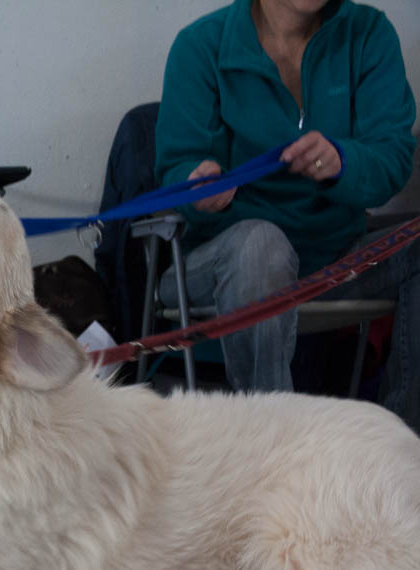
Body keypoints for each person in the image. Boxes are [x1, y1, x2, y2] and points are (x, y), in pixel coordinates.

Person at [154, 0, 418, 431]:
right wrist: (197, 187)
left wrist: (342, 161)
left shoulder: (369, 33)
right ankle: (273, 449)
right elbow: (176, 172)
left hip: (335, 261)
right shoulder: (200, 46)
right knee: (261, 244)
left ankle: (402, 446)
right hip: (223, 264)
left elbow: (393, 158)